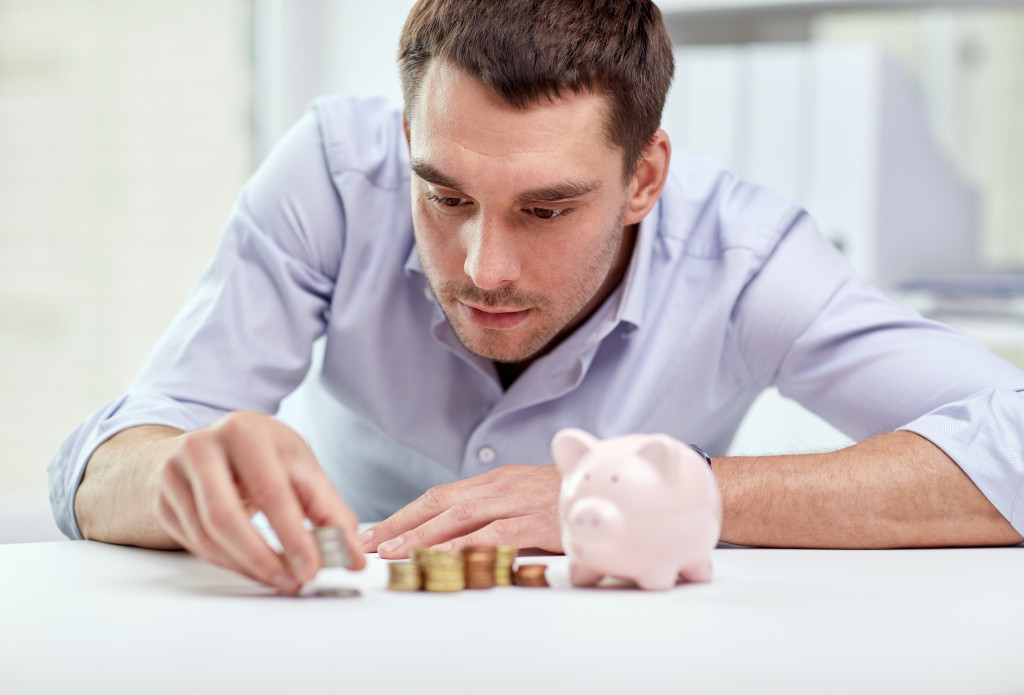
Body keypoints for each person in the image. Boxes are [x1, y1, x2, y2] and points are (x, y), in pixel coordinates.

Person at [51, 0, 1024, 594]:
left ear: (645, 177)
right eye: (445, 195)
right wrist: (169, 476)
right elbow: (105, 458)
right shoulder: (331, 177)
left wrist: (681, 494)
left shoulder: (746, 259)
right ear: (405, 138)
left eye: (547, 207)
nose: (483, 266)